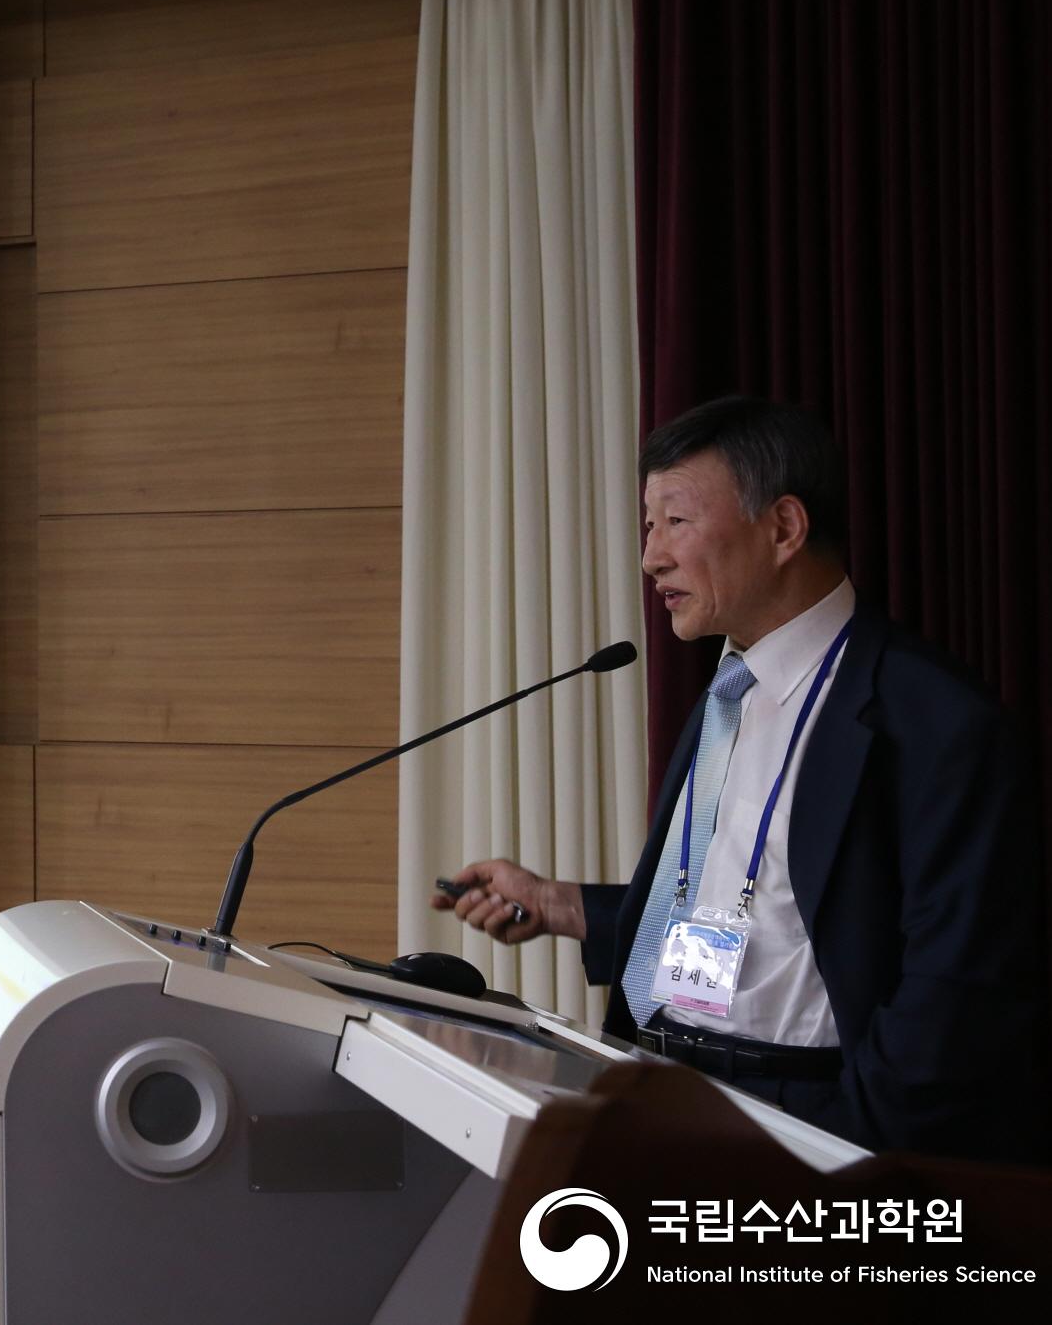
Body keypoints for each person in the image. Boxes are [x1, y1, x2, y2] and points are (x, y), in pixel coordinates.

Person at [432, 397, 1045, 1163]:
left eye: (676, 521)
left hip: (822, 1127)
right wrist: (560, 905)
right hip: (669, 1091)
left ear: (784, 527)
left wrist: (855, 1154)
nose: (651, 557)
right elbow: (750, 923)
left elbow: (958, 986)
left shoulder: (932, 720)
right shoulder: (729, 695)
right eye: (649, 526)